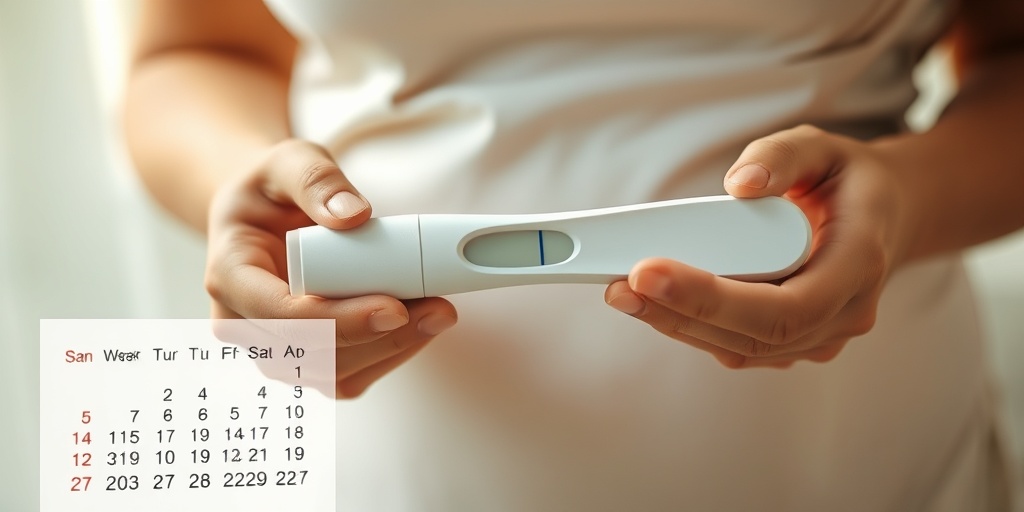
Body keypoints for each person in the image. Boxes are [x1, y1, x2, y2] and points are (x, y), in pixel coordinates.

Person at [124, 0, 1024, 509]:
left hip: (868, 471)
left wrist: (909, 199)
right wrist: (238, 182)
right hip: (387, 472)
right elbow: (189, 52)